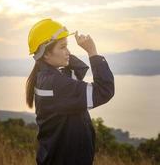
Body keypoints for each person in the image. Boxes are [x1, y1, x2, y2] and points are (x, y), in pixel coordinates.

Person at [26, 18, 115, 165]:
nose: (68, 52)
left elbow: (78, 70)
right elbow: (104, 90)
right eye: (62, 47)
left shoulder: (49, 77)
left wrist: (61, 47)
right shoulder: (56, 85)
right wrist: (92, 52)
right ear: (46, 54)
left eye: (67, 46)